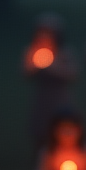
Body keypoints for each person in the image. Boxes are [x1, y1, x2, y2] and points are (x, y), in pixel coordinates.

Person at [23, 14, 78, 149]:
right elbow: (25, 72)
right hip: (42, 96)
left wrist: (53, 68)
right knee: (41, 127)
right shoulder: (32, 51)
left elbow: (73, 74)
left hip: (59, 96)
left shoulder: (65, 53)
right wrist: (36, 67)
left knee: (60, 125)